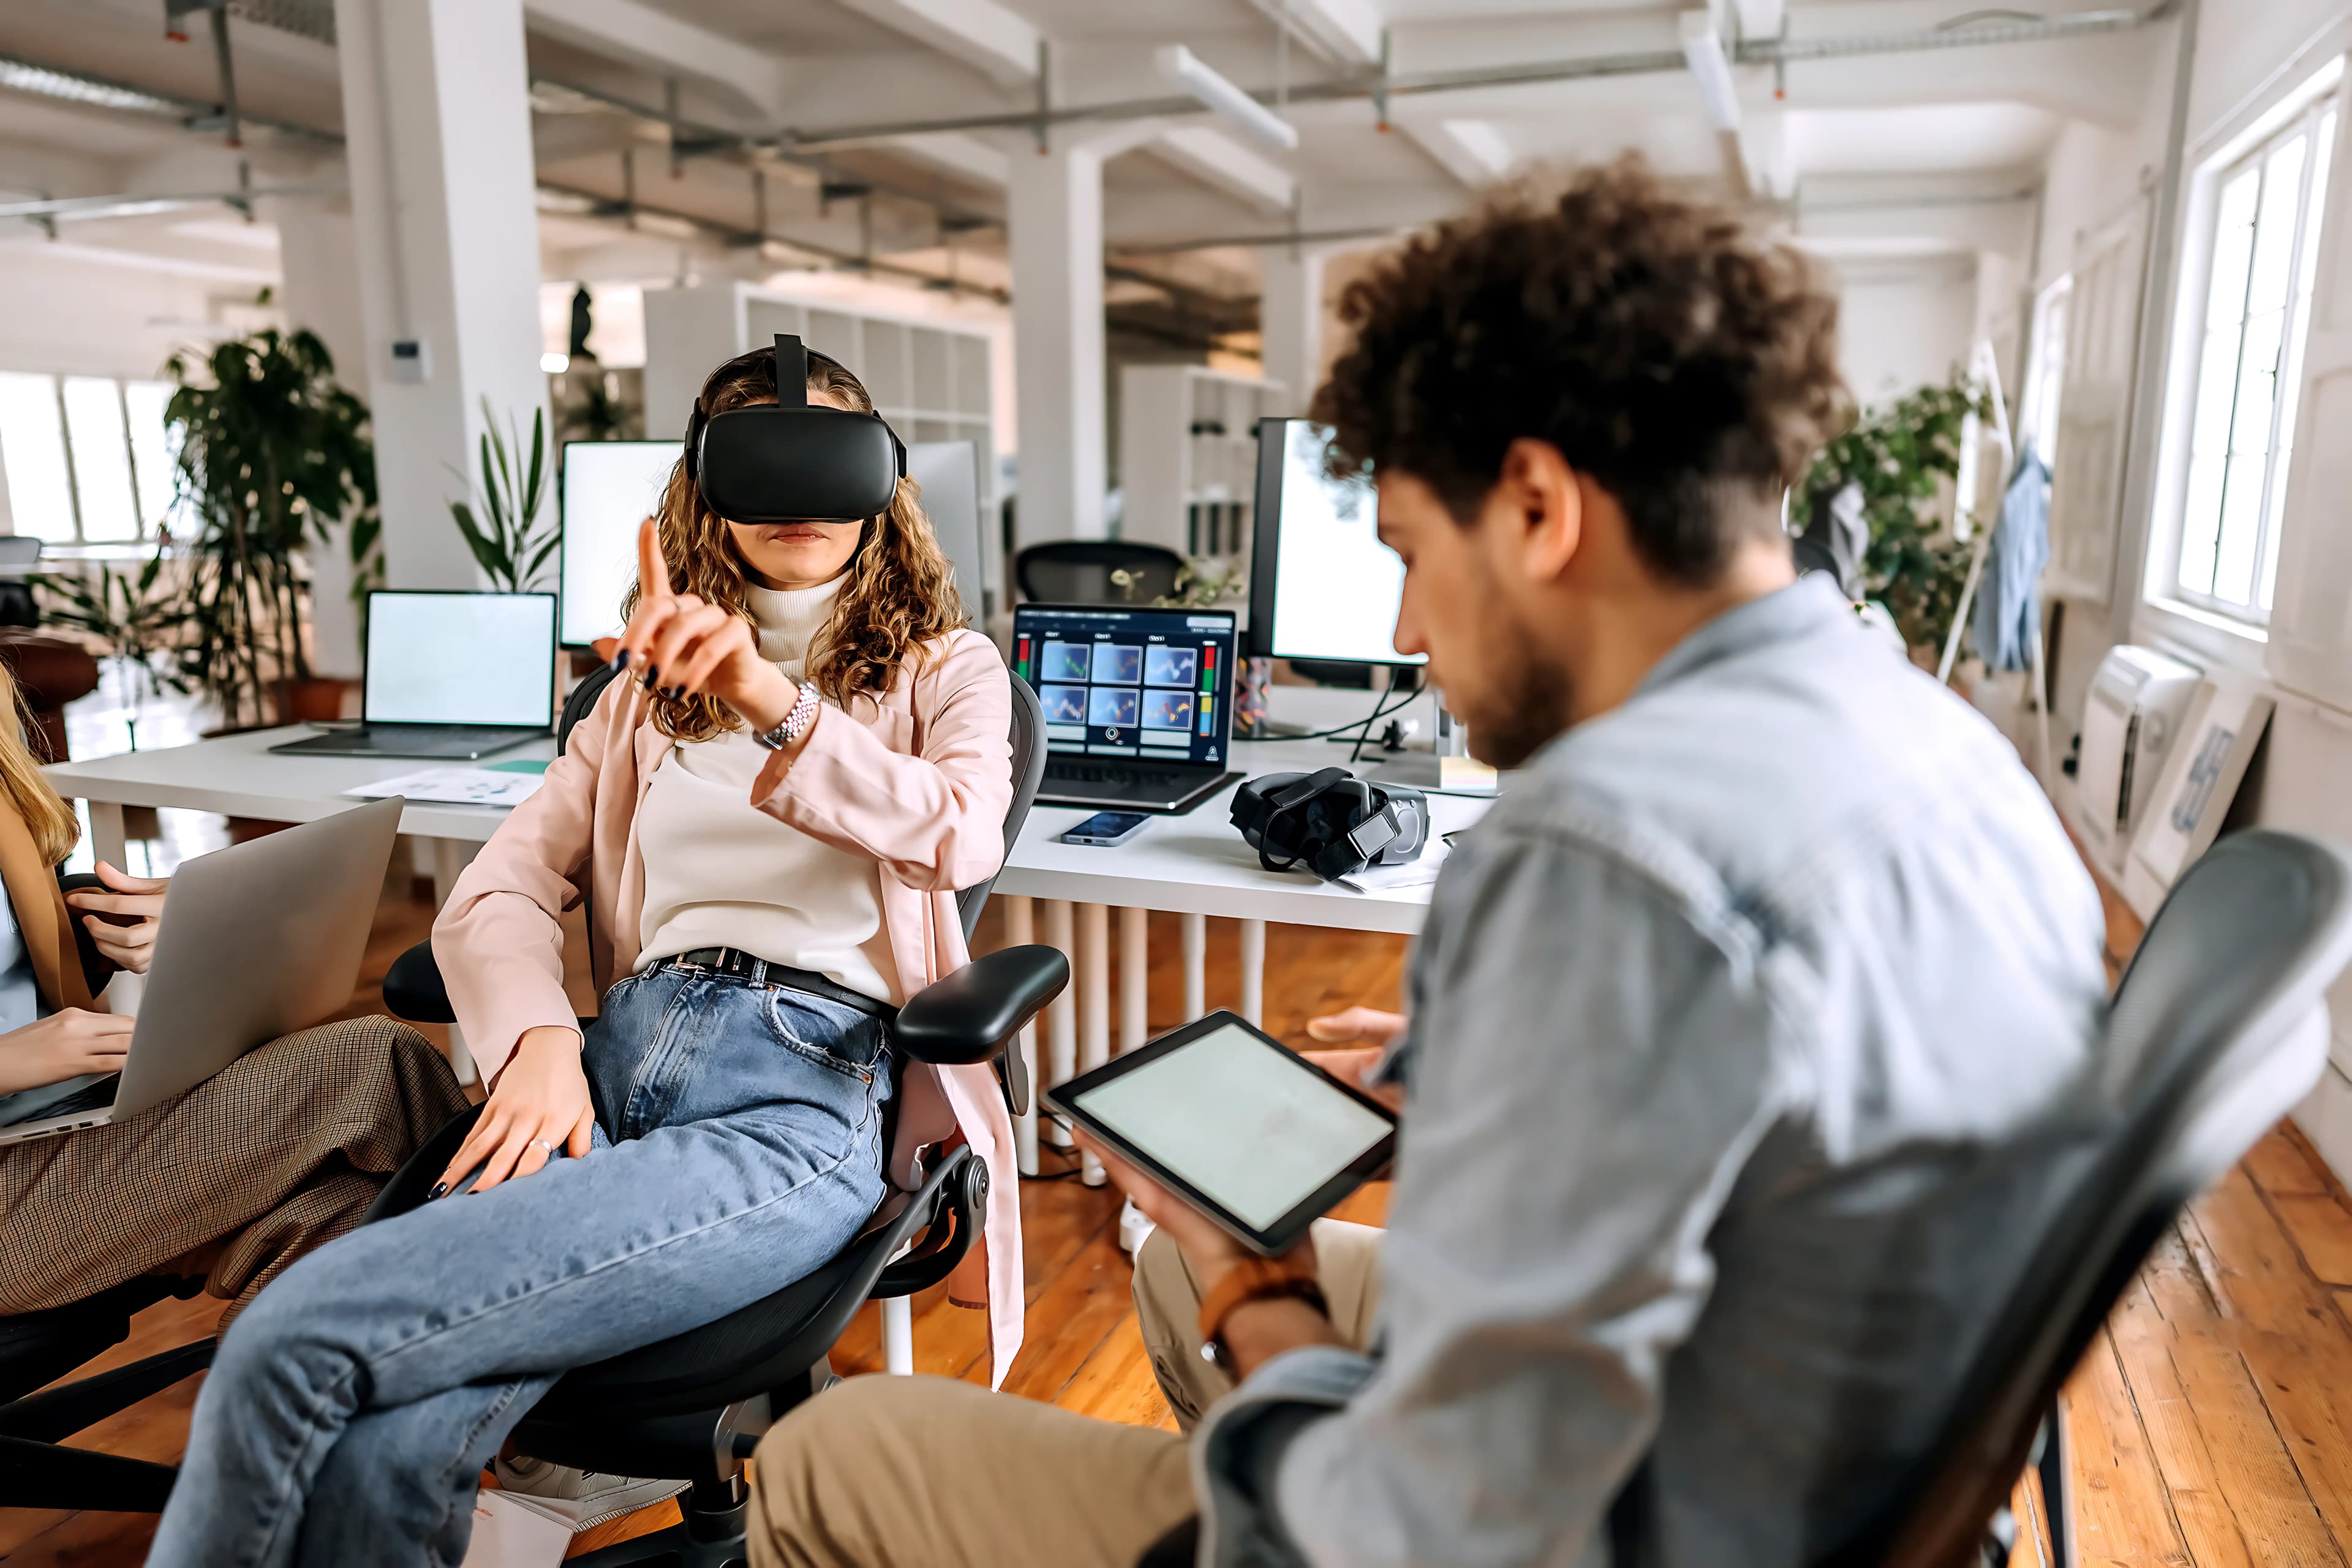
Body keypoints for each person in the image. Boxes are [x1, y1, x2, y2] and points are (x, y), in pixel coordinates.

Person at [742, 157, 2110, 1568]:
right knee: (1158, 1260)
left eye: (1405, 546)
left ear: (1534, 504)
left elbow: (1414, 1529)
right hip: (1811, 1465)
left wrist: (1251, 1290)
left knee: (840, 1448)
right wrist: (1518, 1069)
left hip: (1573, 1523)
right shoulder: (1945, 748)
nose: (1401, 620)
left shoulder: (1595, 849)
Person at [150, 347, 1020, 1567]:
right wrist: (541, 1041)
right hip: (604, 1073)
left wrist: (773, 699)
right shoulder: (635, 702)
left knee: (295, 1338)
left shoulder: (947, 670)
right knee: (386, 1437)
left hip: (795, 1095)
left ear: (882, 476)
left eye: (827, 453)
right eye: (760, 464)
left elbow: (955, 829)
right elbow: (496, 886)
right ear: (706, 488)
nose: (800, 495)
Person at [0, 663, 467, 1324]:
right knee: (370, 1062)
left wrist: (105, 918)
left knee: (346, 1206)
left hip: (65, 1116)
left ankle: (290, 1410)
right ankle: (540, 1324)